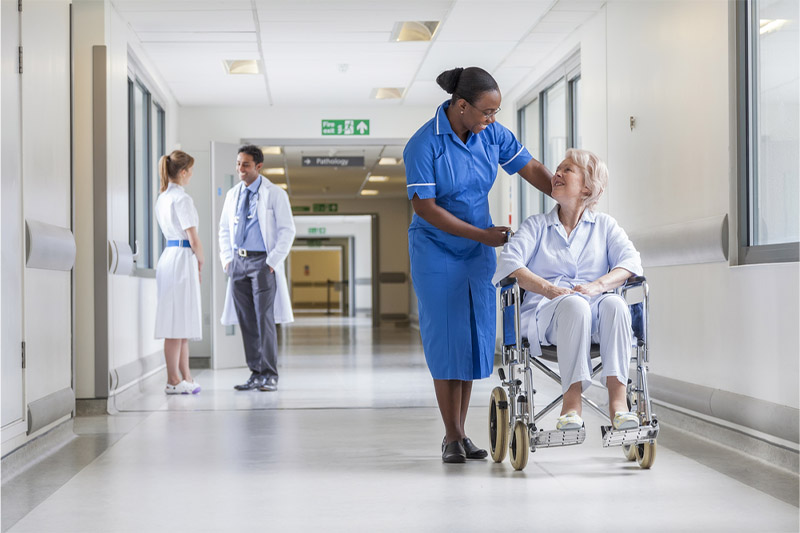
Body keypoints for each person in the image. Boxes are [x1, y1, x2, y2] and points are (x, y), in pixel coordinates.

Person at [404, 67, 553, 463]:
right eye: (487, 111)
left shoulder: (492, 135)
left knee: (472, 338)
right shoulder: (424, 143)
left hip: (476, 251)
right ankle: (451, 435)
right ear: (462, 105)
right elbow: (425, 208)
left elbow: (530, 168)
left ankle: (461, 433)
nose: (493, 119)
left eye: (497, 112)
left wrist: (569, 193)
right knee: (445, 338)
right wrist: (482, 234)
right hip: (436, 248)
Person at [492, 148, 643, 432]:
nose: (556, 174)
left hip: (596, 311)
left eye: (567, 170)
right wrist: (549, 289)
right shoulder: (536, 226)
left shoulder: (605, 226)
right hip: (546, 316)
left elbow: (631, 263)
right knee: (575, 305)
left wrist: (598, 286)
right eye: (558, 169)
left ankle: (619, 404)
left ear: (587, 187)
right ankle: (571, 404)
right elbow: (509, 264)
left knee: (615, 304)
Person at [219, 144, 296, 392]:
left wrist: (272, 262)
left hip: (263, 263)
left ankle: (270, 374)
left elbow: (287, 230)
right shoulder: (233, 194)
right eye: (238, 163)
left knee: (264, 319)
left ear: (259, 167)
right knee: (246, 321)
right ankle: (255, 372)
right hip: (238, 263)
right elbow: (223, 229)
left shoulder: (275, 194)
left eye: (246, 164)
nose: (240, 169)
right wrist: (227, 260)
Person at [154, 150, 203, 395]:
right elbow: (193, 238)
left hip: (170, 258)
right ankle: (173, 380)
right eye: (190, 171)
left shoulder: (163, 197)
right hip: (182, 258)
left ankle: (186, 377)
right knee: (176, 324)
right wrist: (201, 260)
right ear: (182, 172)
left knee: (180, 322)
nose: (191, 175)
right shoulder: (182, 199)